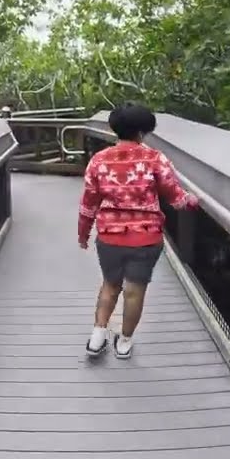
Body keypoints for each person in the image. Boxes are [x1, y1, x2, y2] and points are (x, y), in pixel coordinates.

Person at [78, 103, 198, 359]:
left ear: (114, 129)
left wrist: (83, 233)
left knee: (110, 286)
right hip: (145, 238)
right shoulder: (155, 159)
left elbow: (89, 202)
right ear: (143, 132)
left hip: (109, 237)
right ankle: (124, 341)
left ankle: (97, 336)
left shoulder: (98, 161)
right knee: (135, 291)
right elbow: (176, 198)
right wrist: (192, 200)